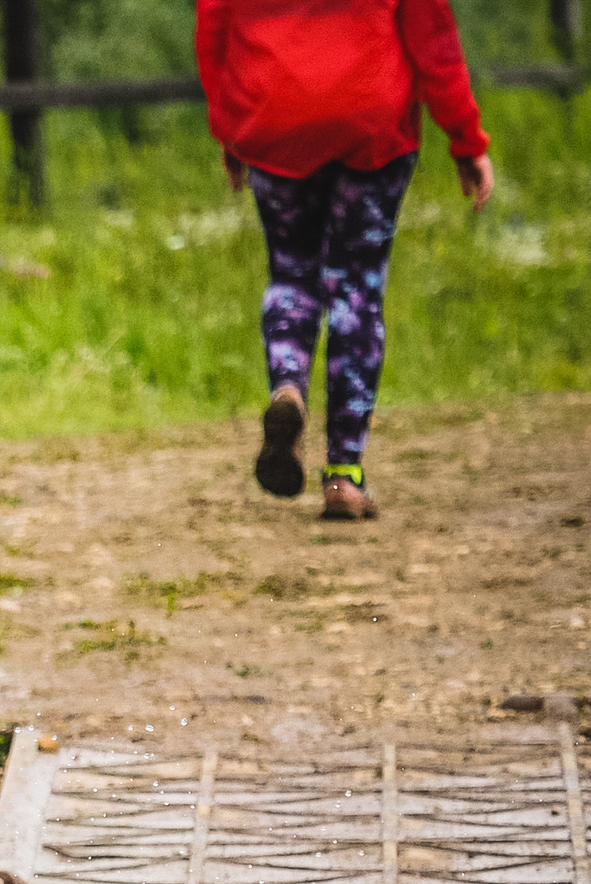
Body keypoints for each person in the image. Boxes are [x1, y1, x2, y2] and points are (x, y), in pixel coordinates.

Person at [198, 0, 494, 521]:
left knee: (291, 272)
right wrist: (465, 137)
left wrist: (230, 127)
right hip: (370, 117)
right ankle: (344, 477)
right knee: (356, 287)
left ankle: (288, 387)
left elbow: (214, 28)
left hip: (273, 117)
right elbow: (433, 36)